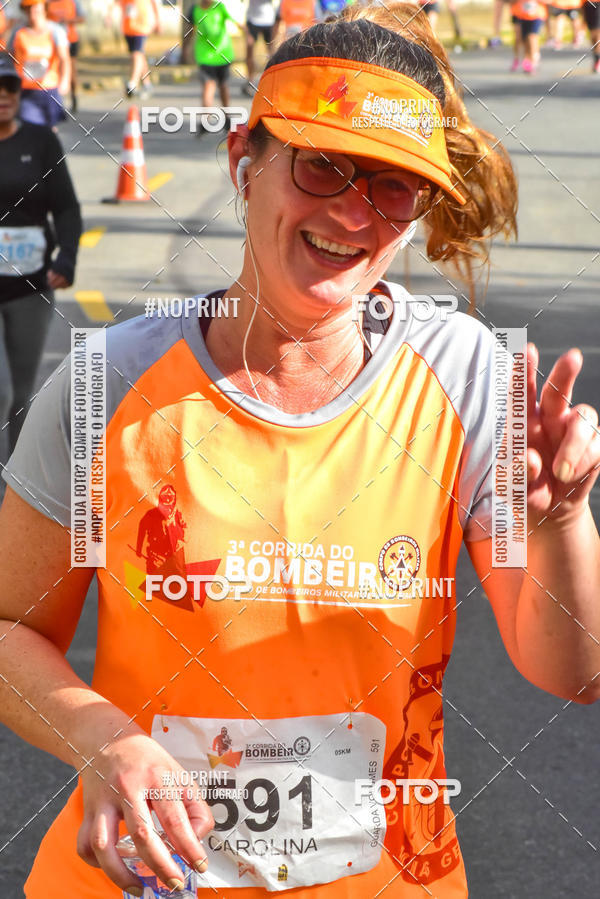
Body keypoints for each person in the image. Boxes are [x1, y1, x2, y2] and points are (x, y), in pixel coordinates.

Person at [1, 4, 599, 898]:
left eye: (394, 185)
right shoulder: (108, 386)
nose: (354, 213)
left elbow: (572, 670)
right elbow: (10, 629)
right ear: (243, 161)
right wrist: (102, 738)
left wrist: (562, 520)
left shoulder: (468, 376)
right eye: (323, 165)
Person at [0, 53, 81, 491]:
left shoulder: (42, 142)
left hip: (30, 287)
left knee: (21, 397)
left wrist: (66, 259)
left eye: (10, 88)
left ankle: (17, 491)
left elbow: (66, 207)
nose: (4, 96)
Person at [183, 0, 243, 135]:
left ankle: (222, 117)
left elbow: (235, 22)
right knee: (212, 86)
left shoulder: (217, 7)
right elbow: (190, 31)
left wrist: (245, 31)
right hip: (208, 56)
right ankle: (210, 119)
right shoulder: (197, 10)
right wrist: (185, 48)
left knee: (220, 86)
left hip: (221, 54)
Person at [8, 0, 71, 127]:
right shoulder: (18, 32)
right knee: (29, 126)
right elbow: (9, 57)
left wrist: (65, 81)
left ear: (44, 8)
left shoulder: (55, 31)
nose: (32, 11)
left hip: (49, 89)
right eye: (28, 8)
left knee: (49, 130)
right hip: (25, 90)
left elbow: (64, 58)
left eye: (36, 7)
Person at [46, 0, 85, 112]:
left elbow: (82, 18)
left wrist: (68, 21)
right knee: (55, 69)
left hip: (70, 40)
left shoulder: (73, 2)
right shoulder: (48, 2)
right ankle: (58, 99)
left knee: (71, 70)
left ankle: (74, 96)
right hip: (52, 41)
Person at [120, 0, 161, 97]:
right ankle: (147, 84)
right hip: (128, 27)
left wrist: (158, 21)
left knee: (136, 54)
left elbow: (154, 3)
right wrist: (109, 15)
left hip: (141, 26)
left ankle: (133, 83)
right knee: (139, 55)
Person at [244, 0, 277, 95]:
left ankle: (272, 80)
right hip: (252, 20)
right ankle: (250, 80)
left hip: (269, 20)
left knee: (272, 52)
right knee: (249, 47)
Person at [510, 0, 547, 71]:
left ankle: (532, 61)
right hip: (519, 15)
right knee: (520, 39)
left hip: (536, 15)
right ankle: (520, 58)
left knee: (532, 37)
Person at [582, 0, 600, 70]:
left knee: (597, 30)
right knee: (592, 33)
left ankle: (597, 59)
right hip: (587, 4)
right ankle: (596, 57)